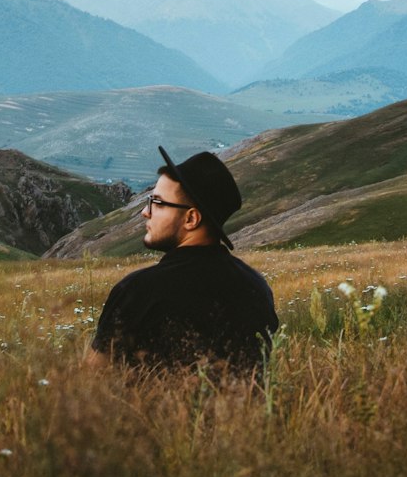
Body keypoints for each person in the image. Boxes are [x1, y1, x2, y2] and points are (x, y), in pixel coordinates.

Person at [87, 147, 279, 373]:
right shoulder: (256, 287)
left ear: (191, 218)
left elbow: (91, 380)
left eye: (157, 202)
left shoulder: (138, 291)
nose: (145, 212)